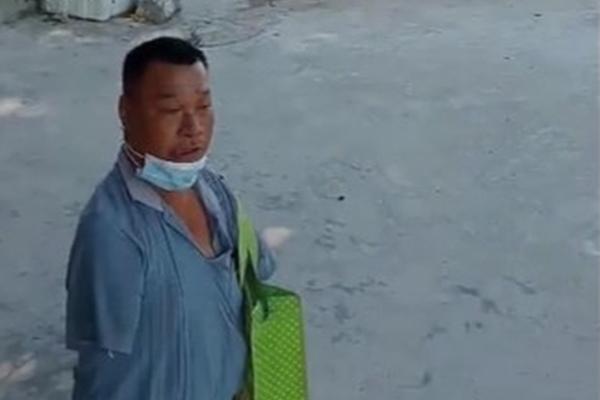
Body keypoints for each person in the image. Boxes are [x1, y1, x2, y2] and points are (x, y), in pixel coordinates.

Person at [65, 36, 277, 400]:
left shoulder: (217, 193)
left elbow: (257, 279)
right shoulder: (112, 231)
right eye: (170, 110)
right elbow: (104, 376)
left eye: (203, 106)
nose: (193, 127)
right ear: (125, 111)